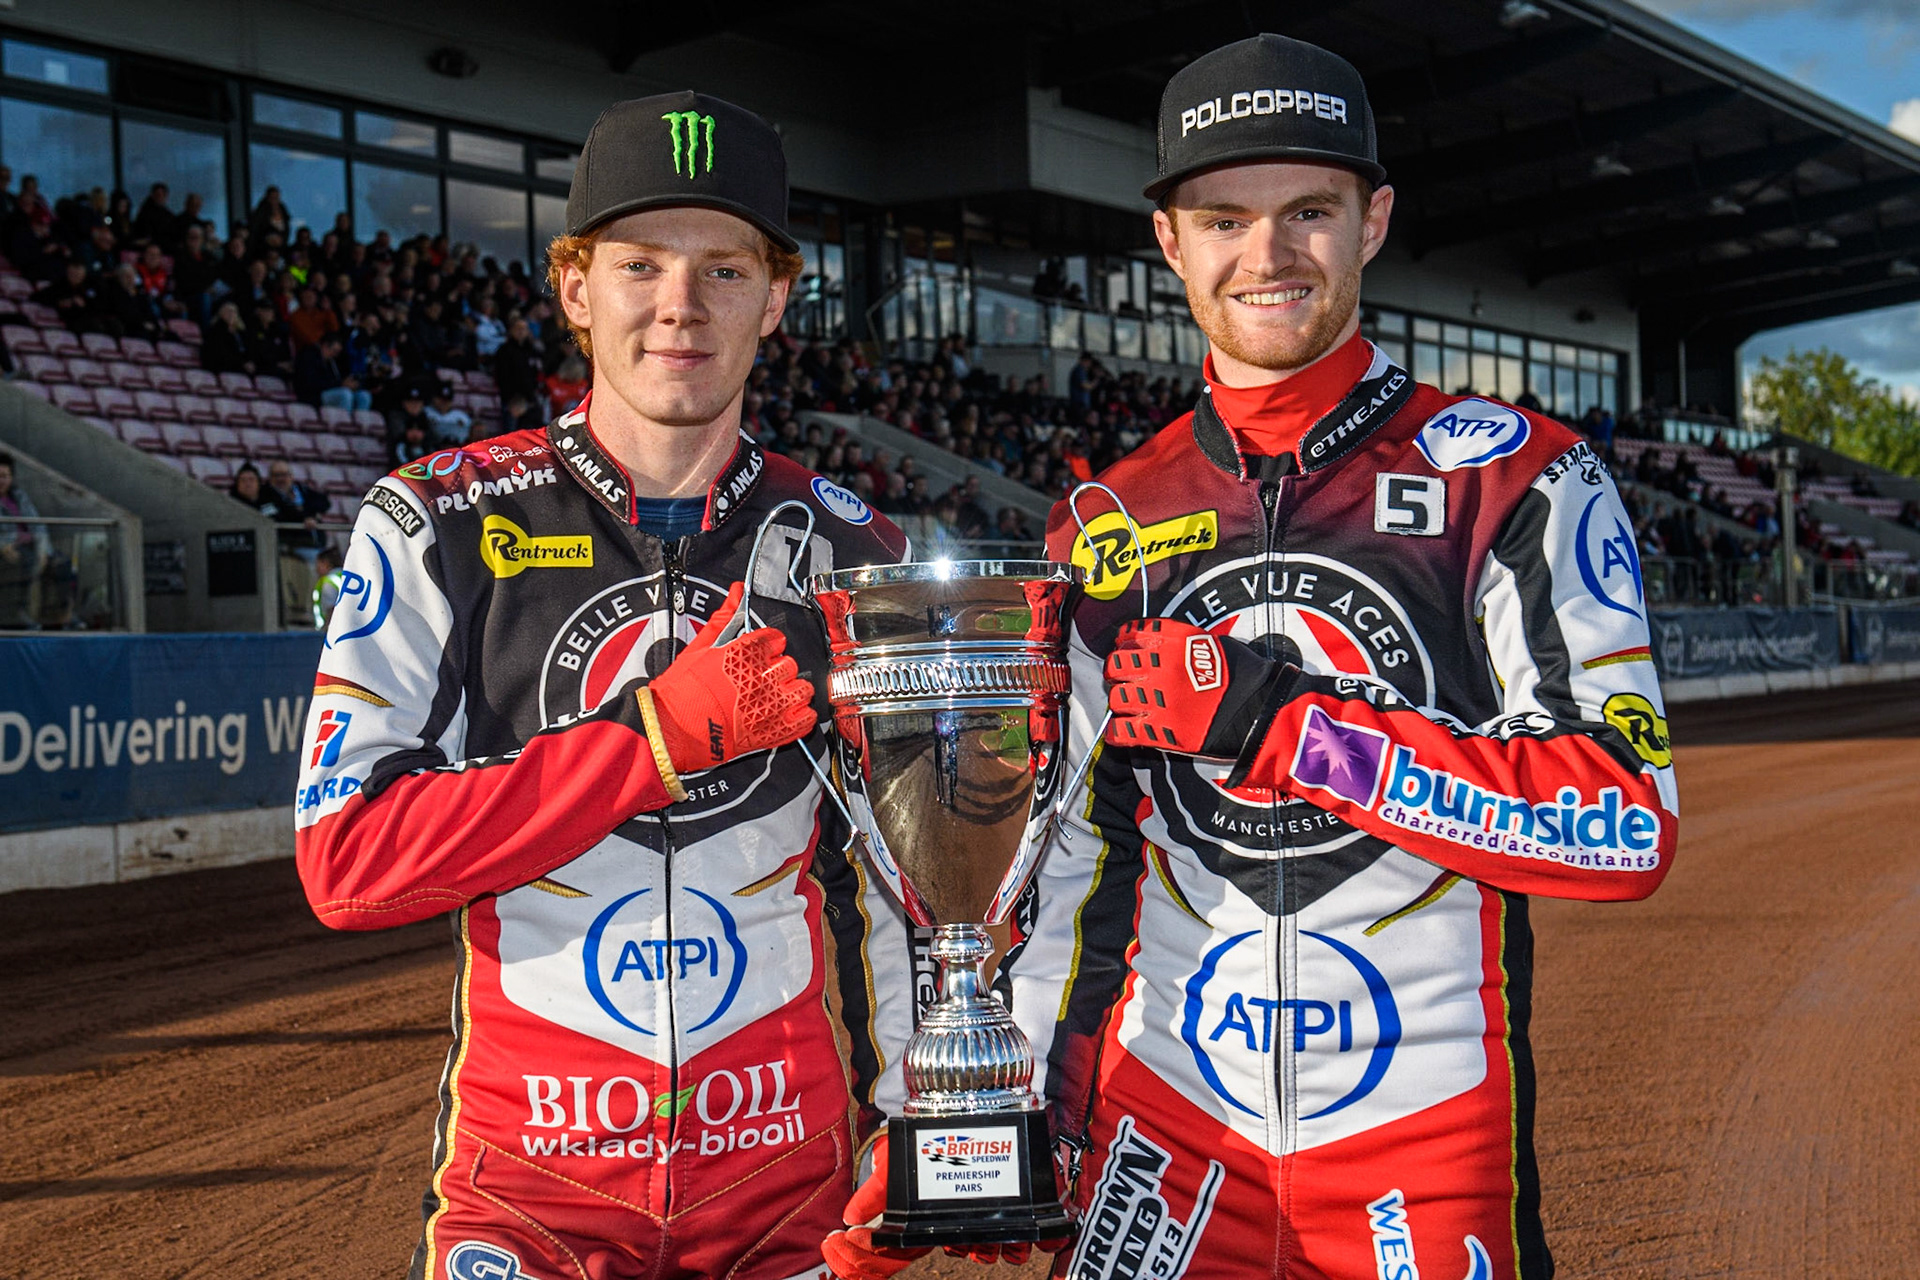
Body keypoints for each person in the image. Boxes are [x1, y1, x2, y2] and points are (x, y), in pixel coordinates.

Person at [1001, 36, 1672, 1280]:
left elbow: (1626, 820)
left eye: (1308, 210)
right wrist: (1028, 1096)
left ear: (1374, 219)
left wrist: (1291, 728)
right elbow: (1077, 863)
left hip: (1422, 1131)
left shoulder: (1519, 475)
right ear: (1170, 242)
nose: (1266, 256)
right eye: (1223, 218)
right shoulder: (1106, 515)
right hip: (1165, 1130)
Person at [293, 91, 917, 1280]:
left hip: (787, 1183)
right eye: (641, 263)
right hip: (528, 1193)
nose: (681, 304)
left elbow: (898, 888)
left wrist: (921, 1116)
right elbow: (347, 860)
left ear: (778, 298)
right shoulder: (436, 519)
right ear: (576, 287)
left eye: (725, 269)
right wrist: (656, 737)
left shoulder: (857, 552)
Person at [256, 460, 331, 627]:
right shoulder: (266, 494)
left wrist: (308, 514)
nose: (281, 479)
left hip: (315, 545)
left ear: (291, 476)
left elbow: (324, 502)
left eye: (284, 475)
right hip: (290, 548)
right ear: (270, 478)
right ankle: (303, 616)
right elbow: (279, 516)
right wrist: (304, 517)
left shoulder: (302, 490)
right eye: (277, 475)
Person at [0, 450, 50, 629]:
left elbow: (38, 525)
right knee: (23, 561)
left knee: (61, 563)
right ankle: (17, 614)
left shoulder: (20, 497)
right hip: (10, 549)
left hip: (32, 546)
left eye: (5, 476)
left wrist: (44, 550)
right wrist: (3, 546)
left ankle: (59, 615)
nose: (2, 480)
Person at [310, 544, 344, 629]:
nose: (316, 568)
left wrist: (326, 629)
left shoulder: (328, 582)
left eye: (318, 564)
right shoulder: (344, 575)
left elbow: (331, 609)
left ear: (325, 563)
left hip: (333, 629)